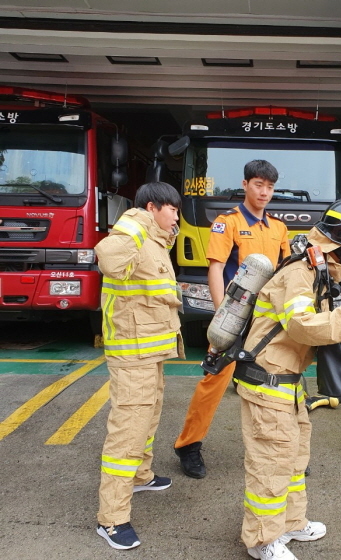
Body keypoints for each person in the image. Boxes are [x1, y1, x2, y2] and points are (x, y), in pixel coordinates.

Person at [234, 198, 341, 560]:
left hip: (286, 381)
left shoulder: (317, 270)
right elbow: (301, 326)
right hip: (266, 381)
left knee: (294, 457)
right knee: (271, 461)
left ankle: (290, 523)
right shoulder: (300, 273)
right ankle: (261, 541)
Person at [174, 160, 290, 478]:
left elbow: (283, 273)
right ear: (245, 184)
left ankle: (280, 449)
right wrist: (221, 317)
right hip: (236, 316)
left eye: (269, 186)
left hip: (267, 320)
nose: (264, 192)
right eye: (258, 185)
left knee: (276, 384)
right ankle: (188, 445)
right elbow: (215, 268)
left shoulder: (279, 228)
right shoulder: (228, 222)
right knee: (215, 382)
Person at [95, 181, 184, 550]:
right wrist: (138, 220)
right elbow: (108, 257)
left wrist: (165, 230)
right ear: (152, 207)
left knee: (148, 418)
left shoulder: (155, 241)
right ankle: (111, 519)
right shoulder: (131, 230)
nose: (176, 216)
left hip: (150, 351)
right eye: (172, 210)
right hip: (131, 354)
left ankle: (140, 475)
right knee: (128, 430)